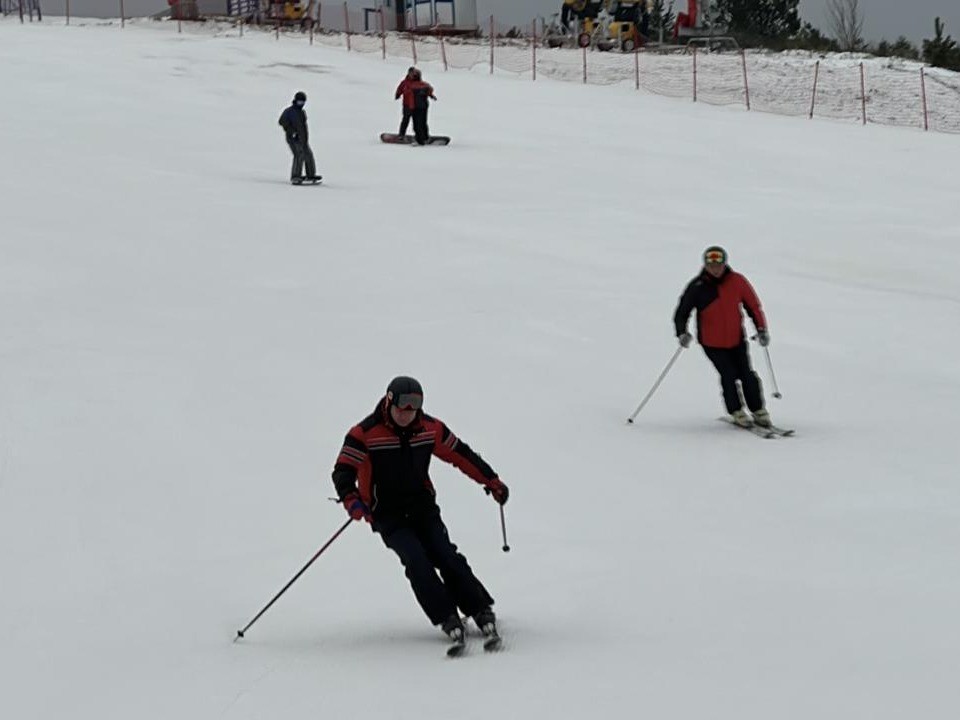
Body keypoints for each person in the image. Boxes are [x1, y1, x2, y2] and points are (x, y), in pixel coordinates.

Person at [331, 376, 509, 642]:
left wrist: (491, 481)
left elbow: (460, 454)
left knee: (445, 554)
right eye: (403, 408)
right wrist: (352, 500)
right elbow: (343, 471)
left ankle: (480, 609)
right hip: (386, 512)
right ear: (389, 402)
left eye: (413, 409)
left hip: (421, 506)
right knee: (416, 559)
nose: (407, 415)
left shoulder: (429, 429)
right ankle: (447, 616)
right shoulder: (365, 433)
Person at [673, 246, 772, 427]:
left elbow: (753, 306)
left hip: (736, 339)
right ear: (705, 265)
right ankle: (736, 411)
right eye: (711, 265)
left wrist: (761, 328)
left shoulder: (737, 281)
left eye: (718, 265)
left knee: (747, 374)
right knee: (728, 374)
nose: (715, 269)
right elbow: (682, 312)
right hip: (712, 343)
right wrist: (682, 333)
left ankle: (758, 410)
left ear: (724, 264)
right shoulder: (697, 286)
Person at [278, 91, 319, 184]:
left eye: (303, 102)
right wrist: (291, 131)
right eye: (299, 102)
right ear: (295, 101)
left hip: (302, 139)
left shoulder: (301, 112)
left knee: (308, 155)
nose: (301, 104)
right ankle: (295, 176)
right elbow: (281, 121)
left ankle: (310, 174)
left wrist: (304, 137)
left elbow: (303, 127)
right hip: (293, 138)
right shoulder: (289, 111)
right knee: (299, 155)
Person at [406, 70, 437, 146]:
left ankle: (420, 140)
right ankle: (425, 137)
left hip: (415, 107)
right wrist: (431, 95)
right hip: (424, 106)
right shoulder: (425, 85)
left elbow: (407, 94)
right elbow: (430, 89)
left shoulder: (410, 86)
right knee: (423, 122)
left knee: (417, 124)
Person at [394, 67, 418, 137]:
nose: (412, 75)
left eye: (413, 73)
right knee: (405, 120)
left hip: (416, 105)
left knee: (417, 121)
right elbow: (400, 89)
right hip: (407, 105)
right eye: (411, 73)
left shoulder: (418, 82)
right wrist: (398, 94)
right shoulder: (404, 82)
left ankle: (419, 135)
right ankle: (401, 134)